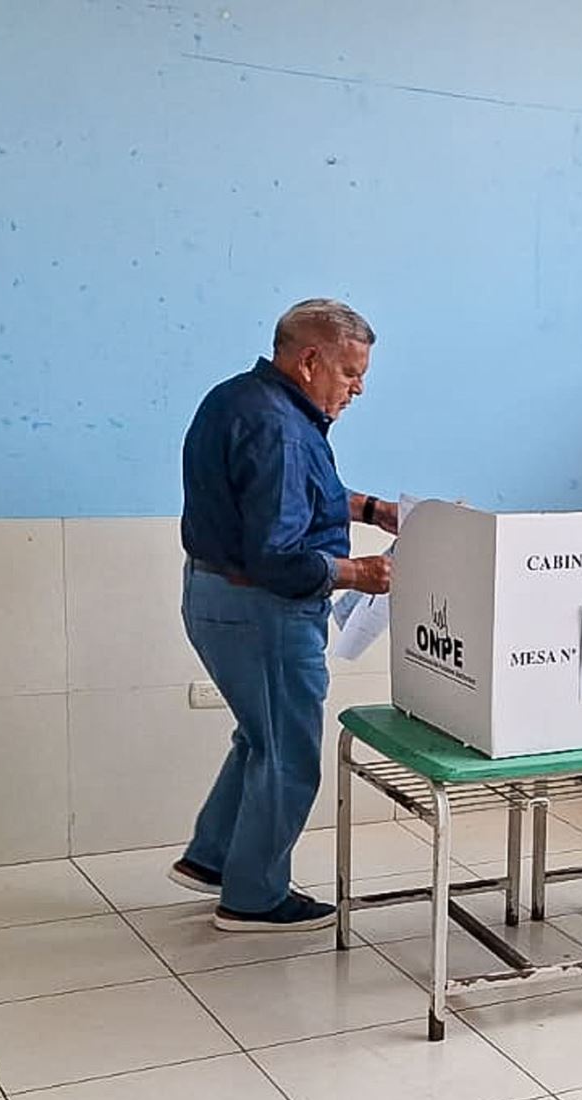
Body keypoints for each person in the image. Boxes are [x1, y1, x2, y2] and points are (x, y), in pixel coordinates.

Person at [171, 298, 398, 931]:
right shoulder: (282, 428)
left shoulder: (243, 399)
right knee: (289, 753)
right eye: (351, 374)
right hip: (263, 610)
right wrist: (362, 575)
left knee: (258, 736)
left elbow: (292, 496)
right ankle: (255, 897)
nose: (357, 389)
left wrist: (372, 510)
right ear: (309, 360)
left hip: (214, 597)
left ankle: (213, 858)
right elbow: (277, 555)